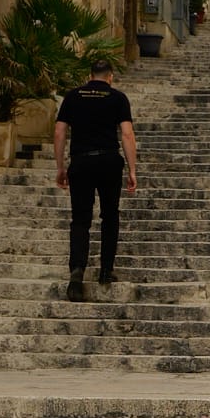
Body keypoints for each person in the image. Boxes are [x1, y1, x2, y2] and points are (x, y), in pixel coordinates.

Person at [54, 56, 137, 300]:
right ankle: (105, 271)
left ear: (89, 76)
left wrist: (60, 167)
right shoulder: (118, 98)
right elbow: (127, 134)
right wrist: (132, 169)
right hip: (109, 161)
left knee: (80, 219)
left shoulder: (73, 96)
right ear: (110, 77)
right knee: (110, 215)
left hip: (81, 161)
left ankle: (77, 270)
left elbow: (59, 131)